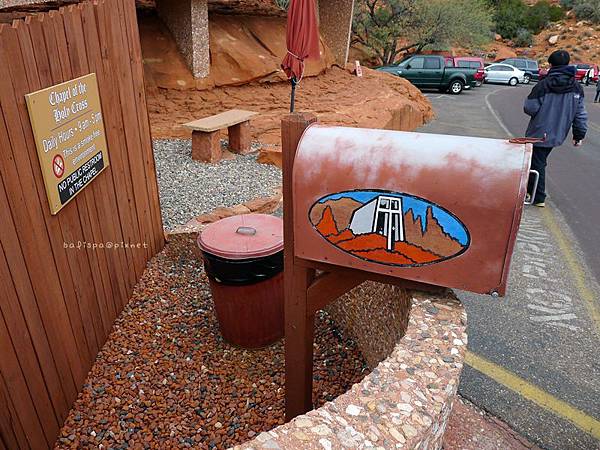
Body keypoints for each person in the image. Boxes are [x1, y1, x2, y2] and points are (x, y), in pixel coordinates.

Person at [524, 50, 588, 207]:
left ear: (551, 65)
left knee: (536, 163)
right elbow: (580, 114)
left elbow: (529, 108)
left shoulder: (544, 85)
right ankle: (530, 191)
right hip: (558, 133)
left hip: (538, 132)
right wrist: (578, 135)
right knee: (539, 161)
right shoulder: (577, 87)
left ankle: (538, 197)